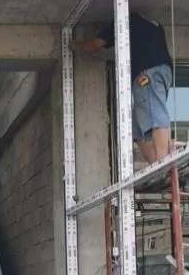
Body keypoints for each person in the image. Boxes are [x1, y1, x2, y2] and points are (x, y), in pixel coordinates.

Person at [71, 12, 173, 164]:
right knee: (137, 126)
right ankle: (155, 161)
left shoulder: (124, 19)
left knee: (155, 116)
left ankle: (161, 160)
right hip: (161, 72)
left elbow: (96, 43)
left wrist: (74, 45)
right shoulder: (147, 22)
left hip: (148, 73)